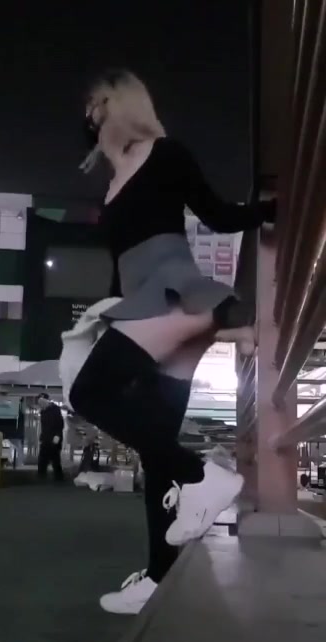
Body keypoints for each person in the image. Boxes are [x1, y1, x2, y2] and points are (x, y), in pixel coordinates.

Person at [68, 69, 276, 614]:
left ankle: (202, 476)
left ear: (123, 102)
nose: (90, 116)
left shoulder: (166, 154)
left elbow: (220, 214)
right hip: (148, 304)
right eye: (87, 111)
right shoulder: (113, 182)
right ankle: (158, 579)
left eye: (97, 104)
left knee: (88, 392)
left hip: (173, 296)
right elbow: (120, 266)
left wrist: (274, 208)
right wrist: (110, 315)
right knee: (155, 446)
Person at [37, 393, 64, 482]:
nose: (40, 404)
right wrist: (42, 437)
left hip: (54, 438)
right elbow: (44, 426)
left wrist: (57, 435)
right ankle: (41, 477)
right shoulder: (43, 411)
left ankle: (59, 478)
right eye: (39, 403)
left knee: (55, 459)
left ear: (46, 401)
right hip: (46, 438)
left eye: (41, 402)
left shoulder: (55, 409)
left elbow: (60, 423)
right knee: (42, 459)